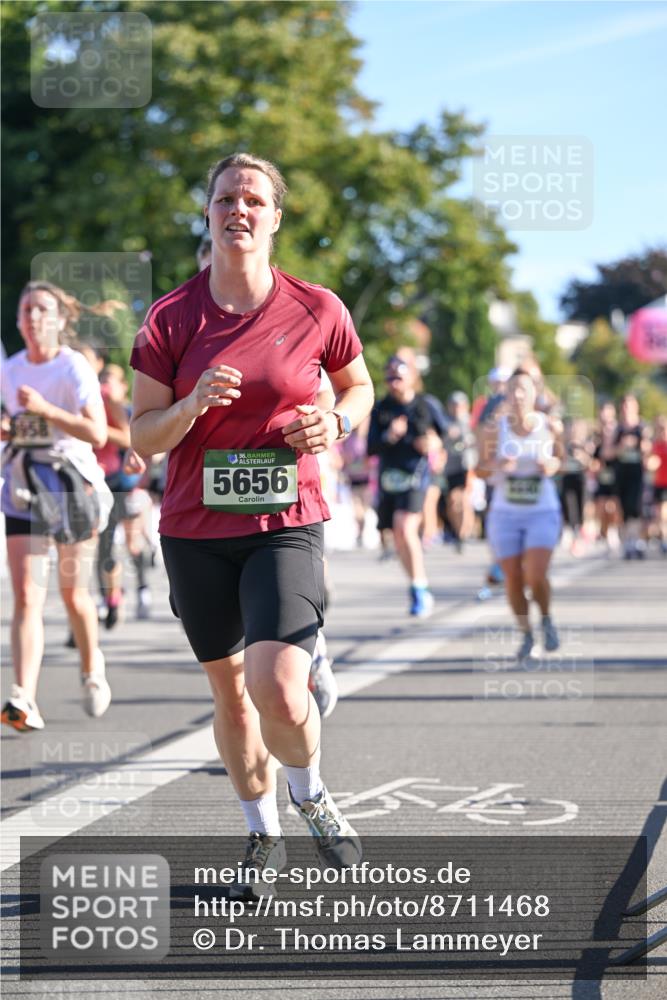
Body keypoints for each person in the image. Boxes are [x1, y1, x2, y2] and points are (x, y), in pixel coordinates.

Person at [129, 152, 373, 890]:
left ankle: (310, 793)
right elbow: (142, 435)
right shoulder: (171, 317)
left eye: (254, 199)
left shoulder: (317, 308)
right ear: (207, 214)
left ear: (274, 217)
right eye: (225, 198)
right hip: (195, 532)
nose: (239, 209)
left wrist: (334, 423)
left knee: (278, 687)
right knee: (230, 693)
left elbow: (356, 388)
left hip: (285, 520)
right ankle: (261, 834)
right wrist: (190, 403)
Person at [1, 281, 115, 730]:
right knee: (27, 595)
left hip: (70, 488)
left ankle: (91, 669)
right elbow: (13, 425)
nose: (32, 318)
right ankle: (24, 697)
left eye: (42, 310)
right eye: (26, 310)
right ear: (17, 320)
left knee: (73, 594)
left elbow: (98, 433)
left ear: (60, 320)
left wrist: (47, 410)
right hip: (25, 486)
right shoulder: (9, 369)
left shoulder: (74, 369)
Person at [476, 368, 563, 661]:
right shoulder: (492, 428)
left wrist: (549, 465)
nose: (518, 395)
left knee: (536, 575)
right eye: (512, 389)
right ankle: (527, 634)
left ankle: (547, 618)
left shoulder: (549, 425)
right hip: (505, 514)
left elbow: (562, 460)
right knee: (513, 578)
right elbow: (478, 469)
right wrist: (499, 464)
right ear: (505, 393)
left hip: (542, 510)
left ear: (536, 393)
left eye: (524, 389)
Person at [367, 354, 445, 617]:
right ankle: (418, 585)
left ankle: (419, 589)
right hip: (390, 478)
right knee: (398, 537)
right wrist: (390, 435)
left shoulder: (426, 404)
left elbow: (447, 435)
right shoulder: (381, 408)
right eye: (389, 377)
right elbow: (371, 447)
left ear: (412, 375)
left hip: (417, 476)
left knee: (405, 526)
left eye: (398, 375)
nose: (393, 381)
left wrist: (433, 445)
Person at [614, 394, 650, 560]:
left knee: (636, 507)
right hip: (622, 473)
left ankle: (636, 540)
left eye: (630, 406)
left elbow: (647, 450)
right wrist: (622, 446)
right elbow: (609, 452)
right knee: (624, 508)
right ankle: (627, 541)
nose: (626, 409)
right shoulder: (618, 429)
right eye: (624, 406)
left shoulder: (641, 427)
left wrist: (640, 444)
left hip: (637, 473)